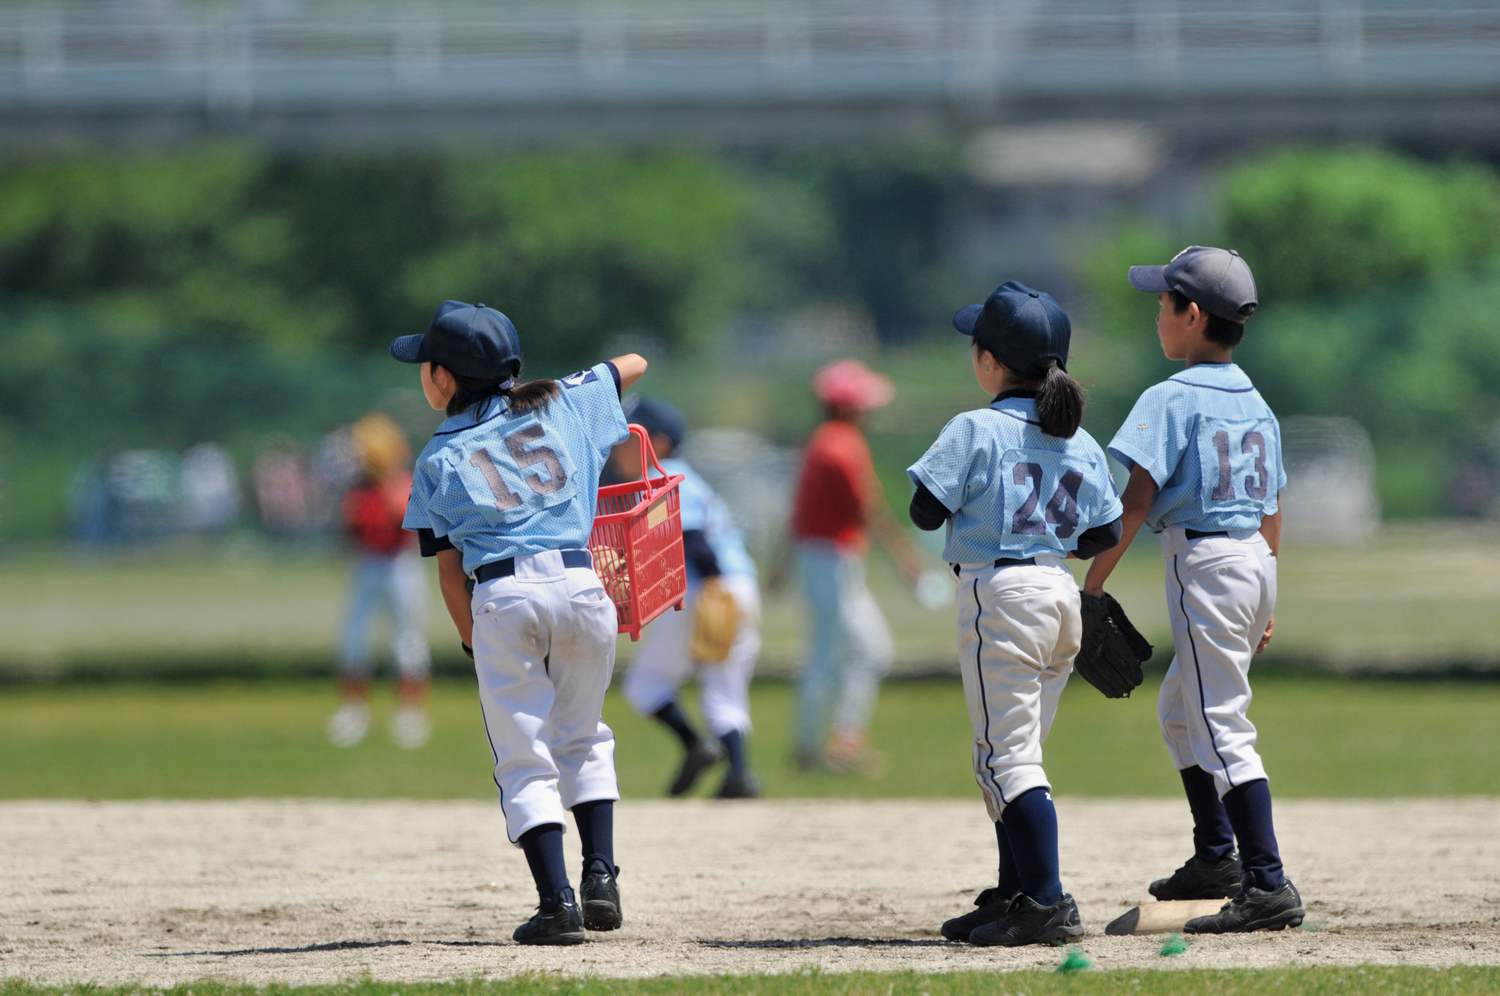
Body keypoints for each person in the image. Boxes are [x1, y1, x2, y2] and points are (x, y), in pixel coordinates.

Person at [392, 299, 648, 945]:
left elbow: (450, 574)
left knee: (523, 755)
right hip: (584, 585)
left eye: (426, 364)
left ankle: (556, 902)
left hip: (503, 595)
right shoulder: (561, 403)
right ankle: (600, 877)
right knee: (584, 736)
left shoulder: (437, 458)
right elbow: (635, 363)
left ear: (444, 379)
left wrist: (473, 643)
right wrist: (568, 385)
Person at [1082, 246, 1304, 934]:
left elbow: (1137, 501)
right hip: (1252, 563)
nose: (1158, 312)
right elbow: (1272, 504)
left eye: (1164, 301)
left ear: (1193, 314)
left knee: (1218, 723)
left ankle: (1266, 881)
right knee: (1181, 709)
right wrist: (1266, 597)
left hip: (1207, 566)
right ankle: (1217, 857)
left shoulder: (1170, 397)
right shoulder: (1254, 399)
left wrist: (1089, 588)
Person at [907, 281, 1123, 947]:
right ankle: (1016, 890)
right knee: (1012, 754)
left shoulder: (976, 427)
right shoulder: (1077, 438)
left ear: (991, 362)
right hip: (1059, 596)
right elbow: (1103, 535)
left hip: (1001, 597)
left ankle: (1048, 901)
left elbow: (924, 510)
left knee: (1008, 760)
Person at [614, 397, 762, 800]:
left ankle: (694, 744)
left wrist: (713, 589)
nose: (619, 447)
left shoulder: (666, 476)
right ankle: (740, 775)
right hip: (737, 585)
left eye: (630, 438)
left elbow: (693, 538)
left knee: (645, 684)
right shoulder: (686, 476)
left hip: (706, 589)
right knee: (723, 686)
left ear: (658, 443)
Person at [788, 359, 926, 773]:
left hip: (821, 560)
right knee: (859, 651)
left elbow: (796, 510)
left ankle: (818, 744)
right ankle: (830, 745)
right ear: (848, 407)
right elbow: (869, 508)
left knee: (840, 652)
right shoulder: (843, 444)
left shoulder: (820, 441)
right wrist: (906, 557)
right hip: (832, 561)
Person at [327, 414, 434, 750]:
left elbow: (404, 518)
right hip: (369, 564)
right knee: (354, 637)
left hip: (401, 564)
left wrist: (385, 476)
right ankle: (354, 709)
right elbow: (349, 531)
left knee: (408, 637)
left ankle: (411, 712)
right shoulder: (358, 487)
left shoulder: (398, 480)